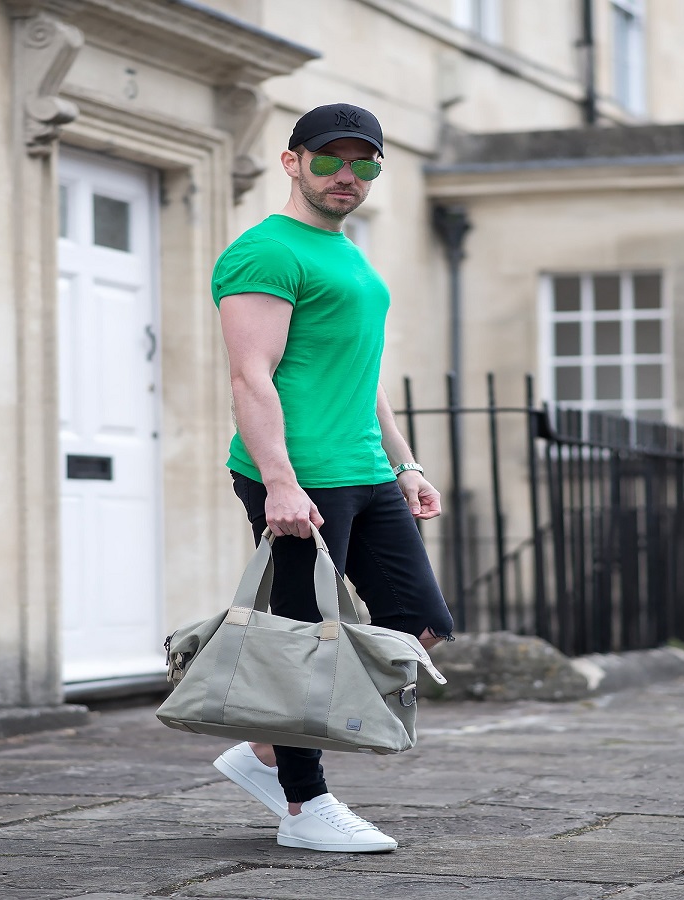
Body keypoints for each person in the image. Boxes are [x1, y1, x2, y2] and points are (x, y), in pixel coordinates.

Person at [209, 102, 455, 853]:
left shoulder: (349, 254)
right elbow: (252, 377)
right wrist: (279, 482)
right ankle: (303, 807)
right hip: (299, 478)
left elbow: (363, 373)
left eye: (364, 163)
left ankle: (262, 753)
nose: (347, 175)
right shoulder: (265, 253)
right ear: (292, 162)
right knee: (302, 644)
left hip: (366, 472)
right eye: (329, 160)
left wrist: (404, 462)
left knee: (419, 626)